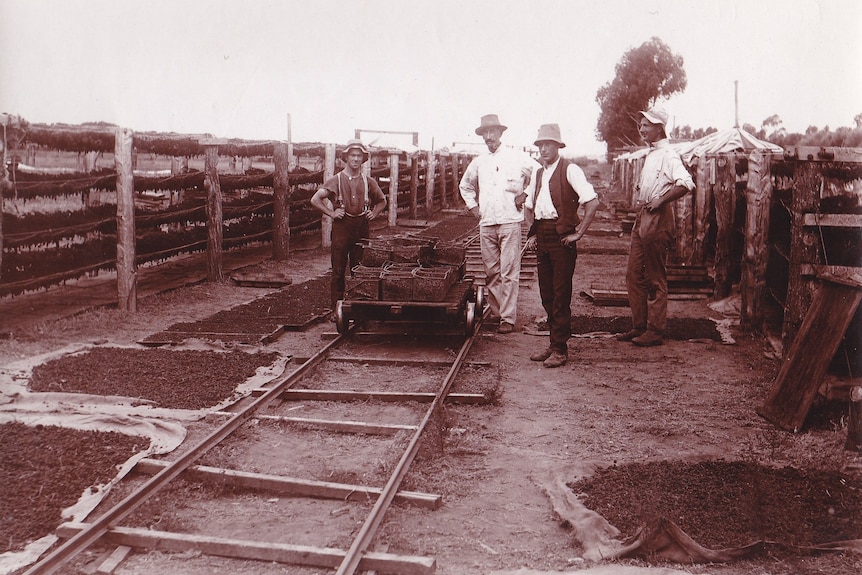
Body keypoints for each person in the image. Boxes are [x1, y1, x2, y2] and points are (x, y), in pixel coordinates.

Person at [617, 106, 695, 347]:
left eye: (646, 125)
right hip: (643, 215)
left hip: (658, 217)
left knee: (654, 275)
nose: (641, 129)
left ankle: (655, 330)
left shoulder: (669, 154)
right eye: (641, 125)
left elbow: (686, 183)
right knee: (632, 273)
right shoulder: (650, 153)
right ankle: (639, 325)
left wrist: (660, 200)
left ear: (659, 128)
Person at [524, 124, 599, 368]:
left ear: (558, 146)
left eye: (548, 144)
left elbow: (592, 202)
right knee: (546, 293)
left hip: (562, 238)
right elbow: (529, 205)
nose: (543, 149)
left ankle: (560, 348)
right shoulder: (538, 173)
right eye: (540, 145)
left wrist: (578, 233)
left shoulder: (570, 169)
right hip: (542, 236)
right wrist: (532, 234)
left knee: (560, 293)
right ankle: (553, 343)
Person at [459, 114, 538, 334]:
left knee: (509, 271)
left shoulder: (517, 158)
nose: (488, 137)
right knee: (491, 271)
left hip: (510, 221)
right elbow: (465, 185)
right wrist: (474, 207)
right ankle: (495, 313)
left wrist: (526, 195)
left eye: (491, 132)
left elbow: (540, 174)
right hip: (487, 223)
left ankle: (508, 318)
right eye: (484, 133)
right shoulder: (479, 162)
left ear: (500, 133)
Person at [310, 139, 387, 311]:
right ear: (346, 157)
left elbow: (382, 201)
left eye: (359, 156)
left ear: (363, 159)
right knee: (338, 271)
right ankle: (335, 309)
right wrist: (331, 213)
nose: (355, 159)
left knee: (358, 270)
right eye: (352, 155)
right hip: (342, 228)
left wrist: (373, 213)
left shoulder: (369, 182)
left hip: (361, 227)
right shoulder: (336, 180)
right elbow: (315, 199)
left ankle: (357, 307)